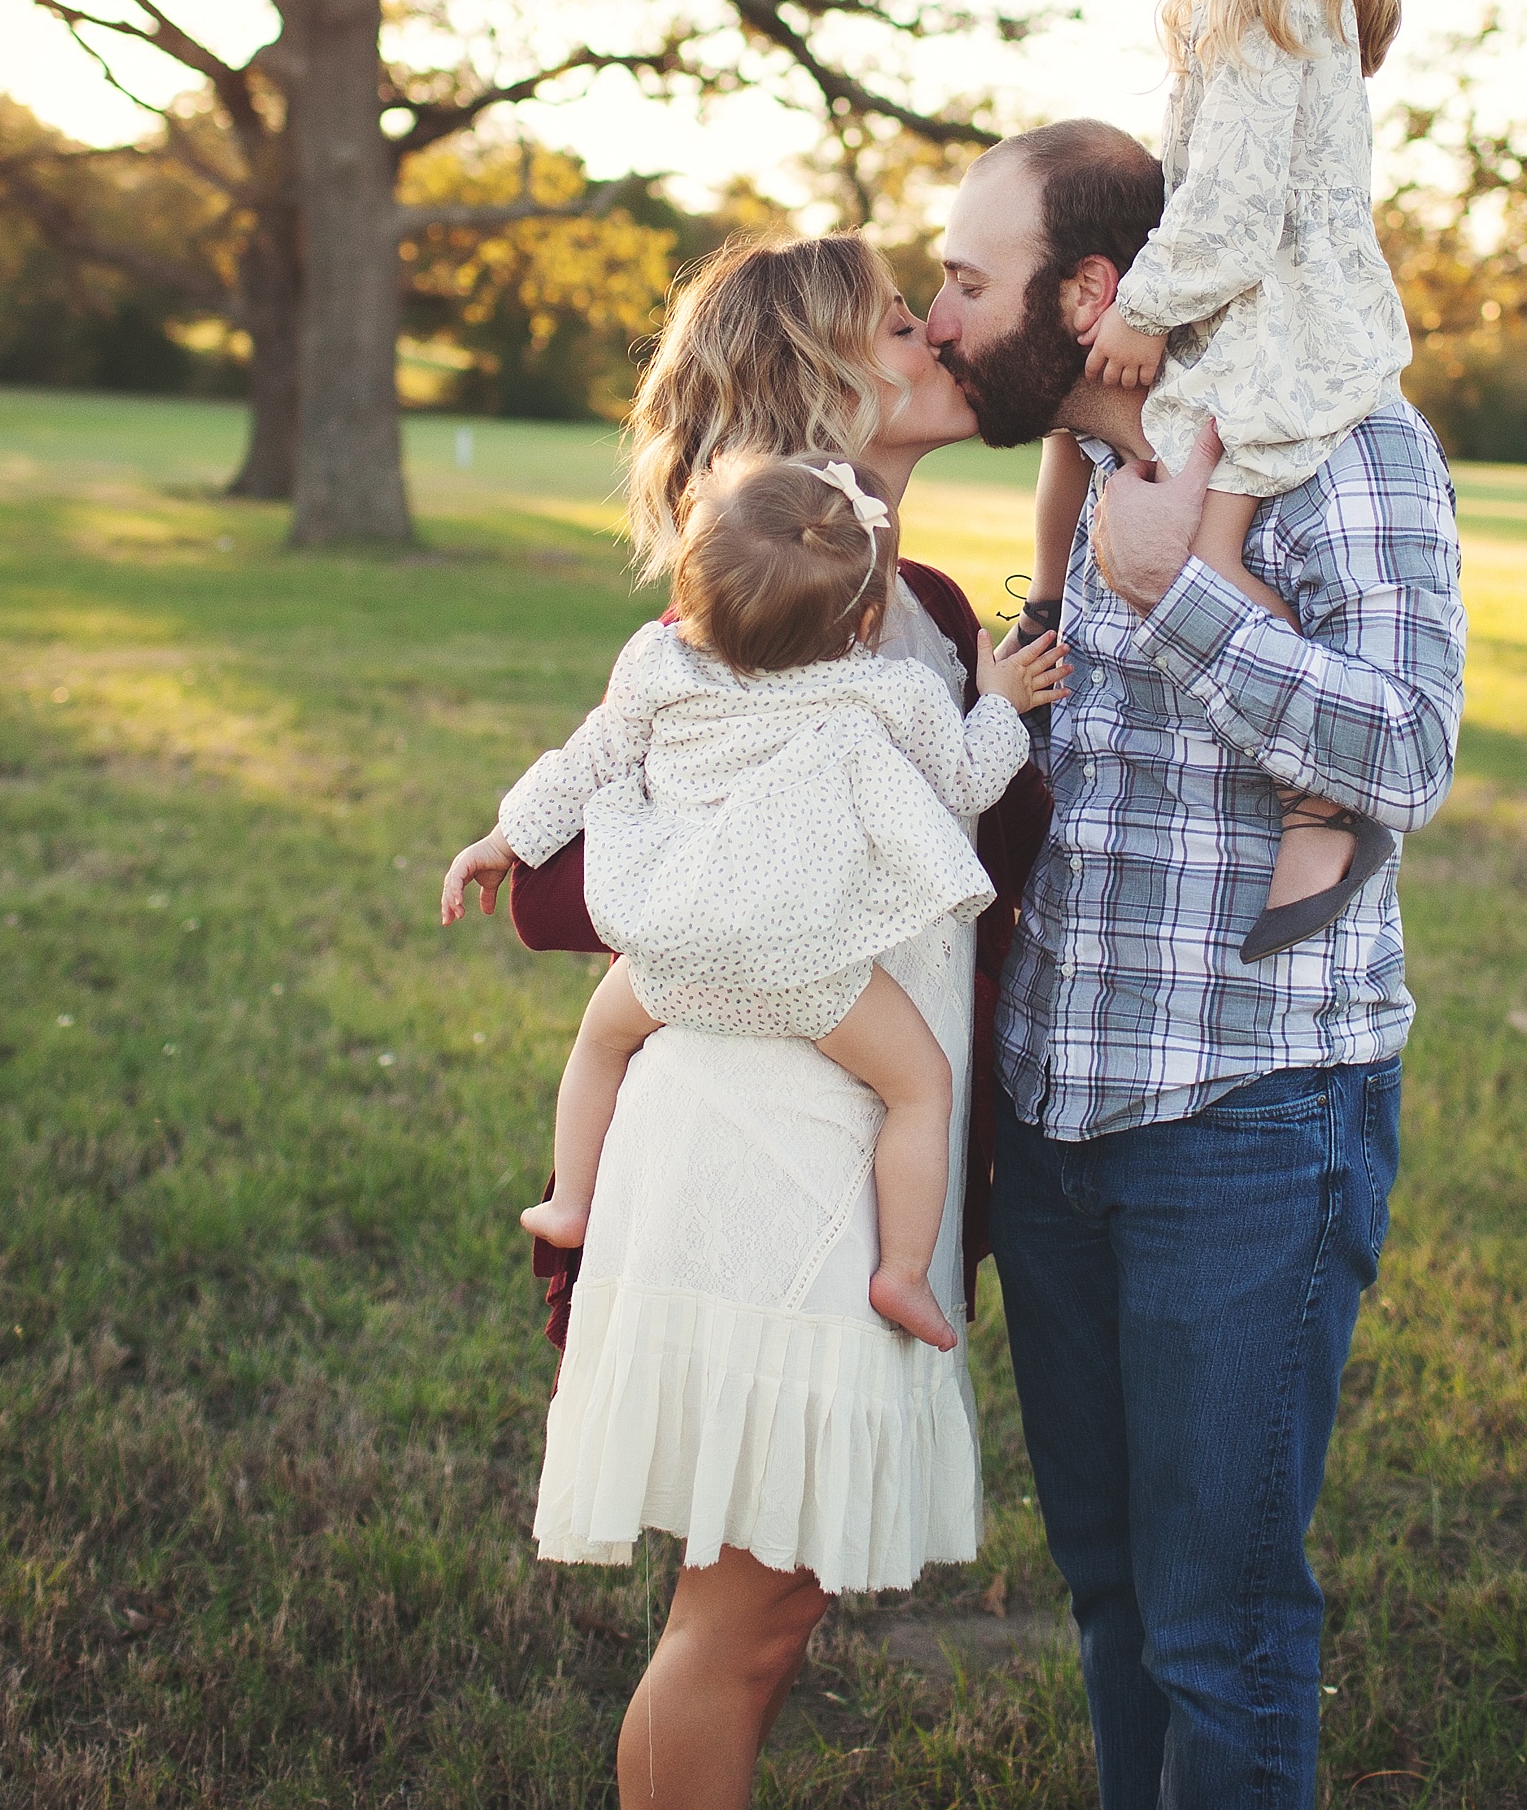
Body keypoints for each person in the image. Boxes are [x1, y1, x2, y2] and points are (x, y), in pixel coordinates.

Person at [439, 232, 1048, 1810]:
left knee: (752, 1600)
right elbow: (577, 880)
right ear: (821, 374)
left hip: (838, 1123)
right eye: (899, 312)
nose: (937, 326)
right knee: (754, 1605)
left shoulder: (887, 591)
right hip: (774, 1147)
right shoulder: (810, 605)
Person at [926, 118, 1465, 1810]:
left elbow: (1409, 750)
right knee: (1123, 1598)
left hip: (1252, 1121)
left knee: (1227, 1626)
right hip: (1069, 1121)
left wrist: (1180, 600)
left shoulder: (1337, 440)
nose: (938, 308)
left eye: (967, 277)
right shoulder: (1063, 479)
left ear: (1085, 295)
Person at [440, 453, 1061, 1351]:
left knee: (599, 1042)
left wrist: (505, 839)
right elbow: (967, 779)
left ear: (694, 596)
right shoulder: (884, 686)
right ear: (870, 619)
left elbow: (591, 758)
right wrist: (999, 701)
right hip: (808, 971)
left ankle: (571, 1199)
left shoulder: (660, 664)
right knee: (921, 1085)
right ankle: (902, 1271)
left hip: (671, 960)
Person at [1026, 0, 1415, 961]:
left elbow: (1232, 215)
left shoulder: (1249, 8)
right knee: (1184, 530)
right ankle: (1312, 794)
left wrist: (1140, 308)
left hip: (1263, 336)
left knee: (1192, 554)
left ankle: (1322, 801)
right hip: (1295, 320)